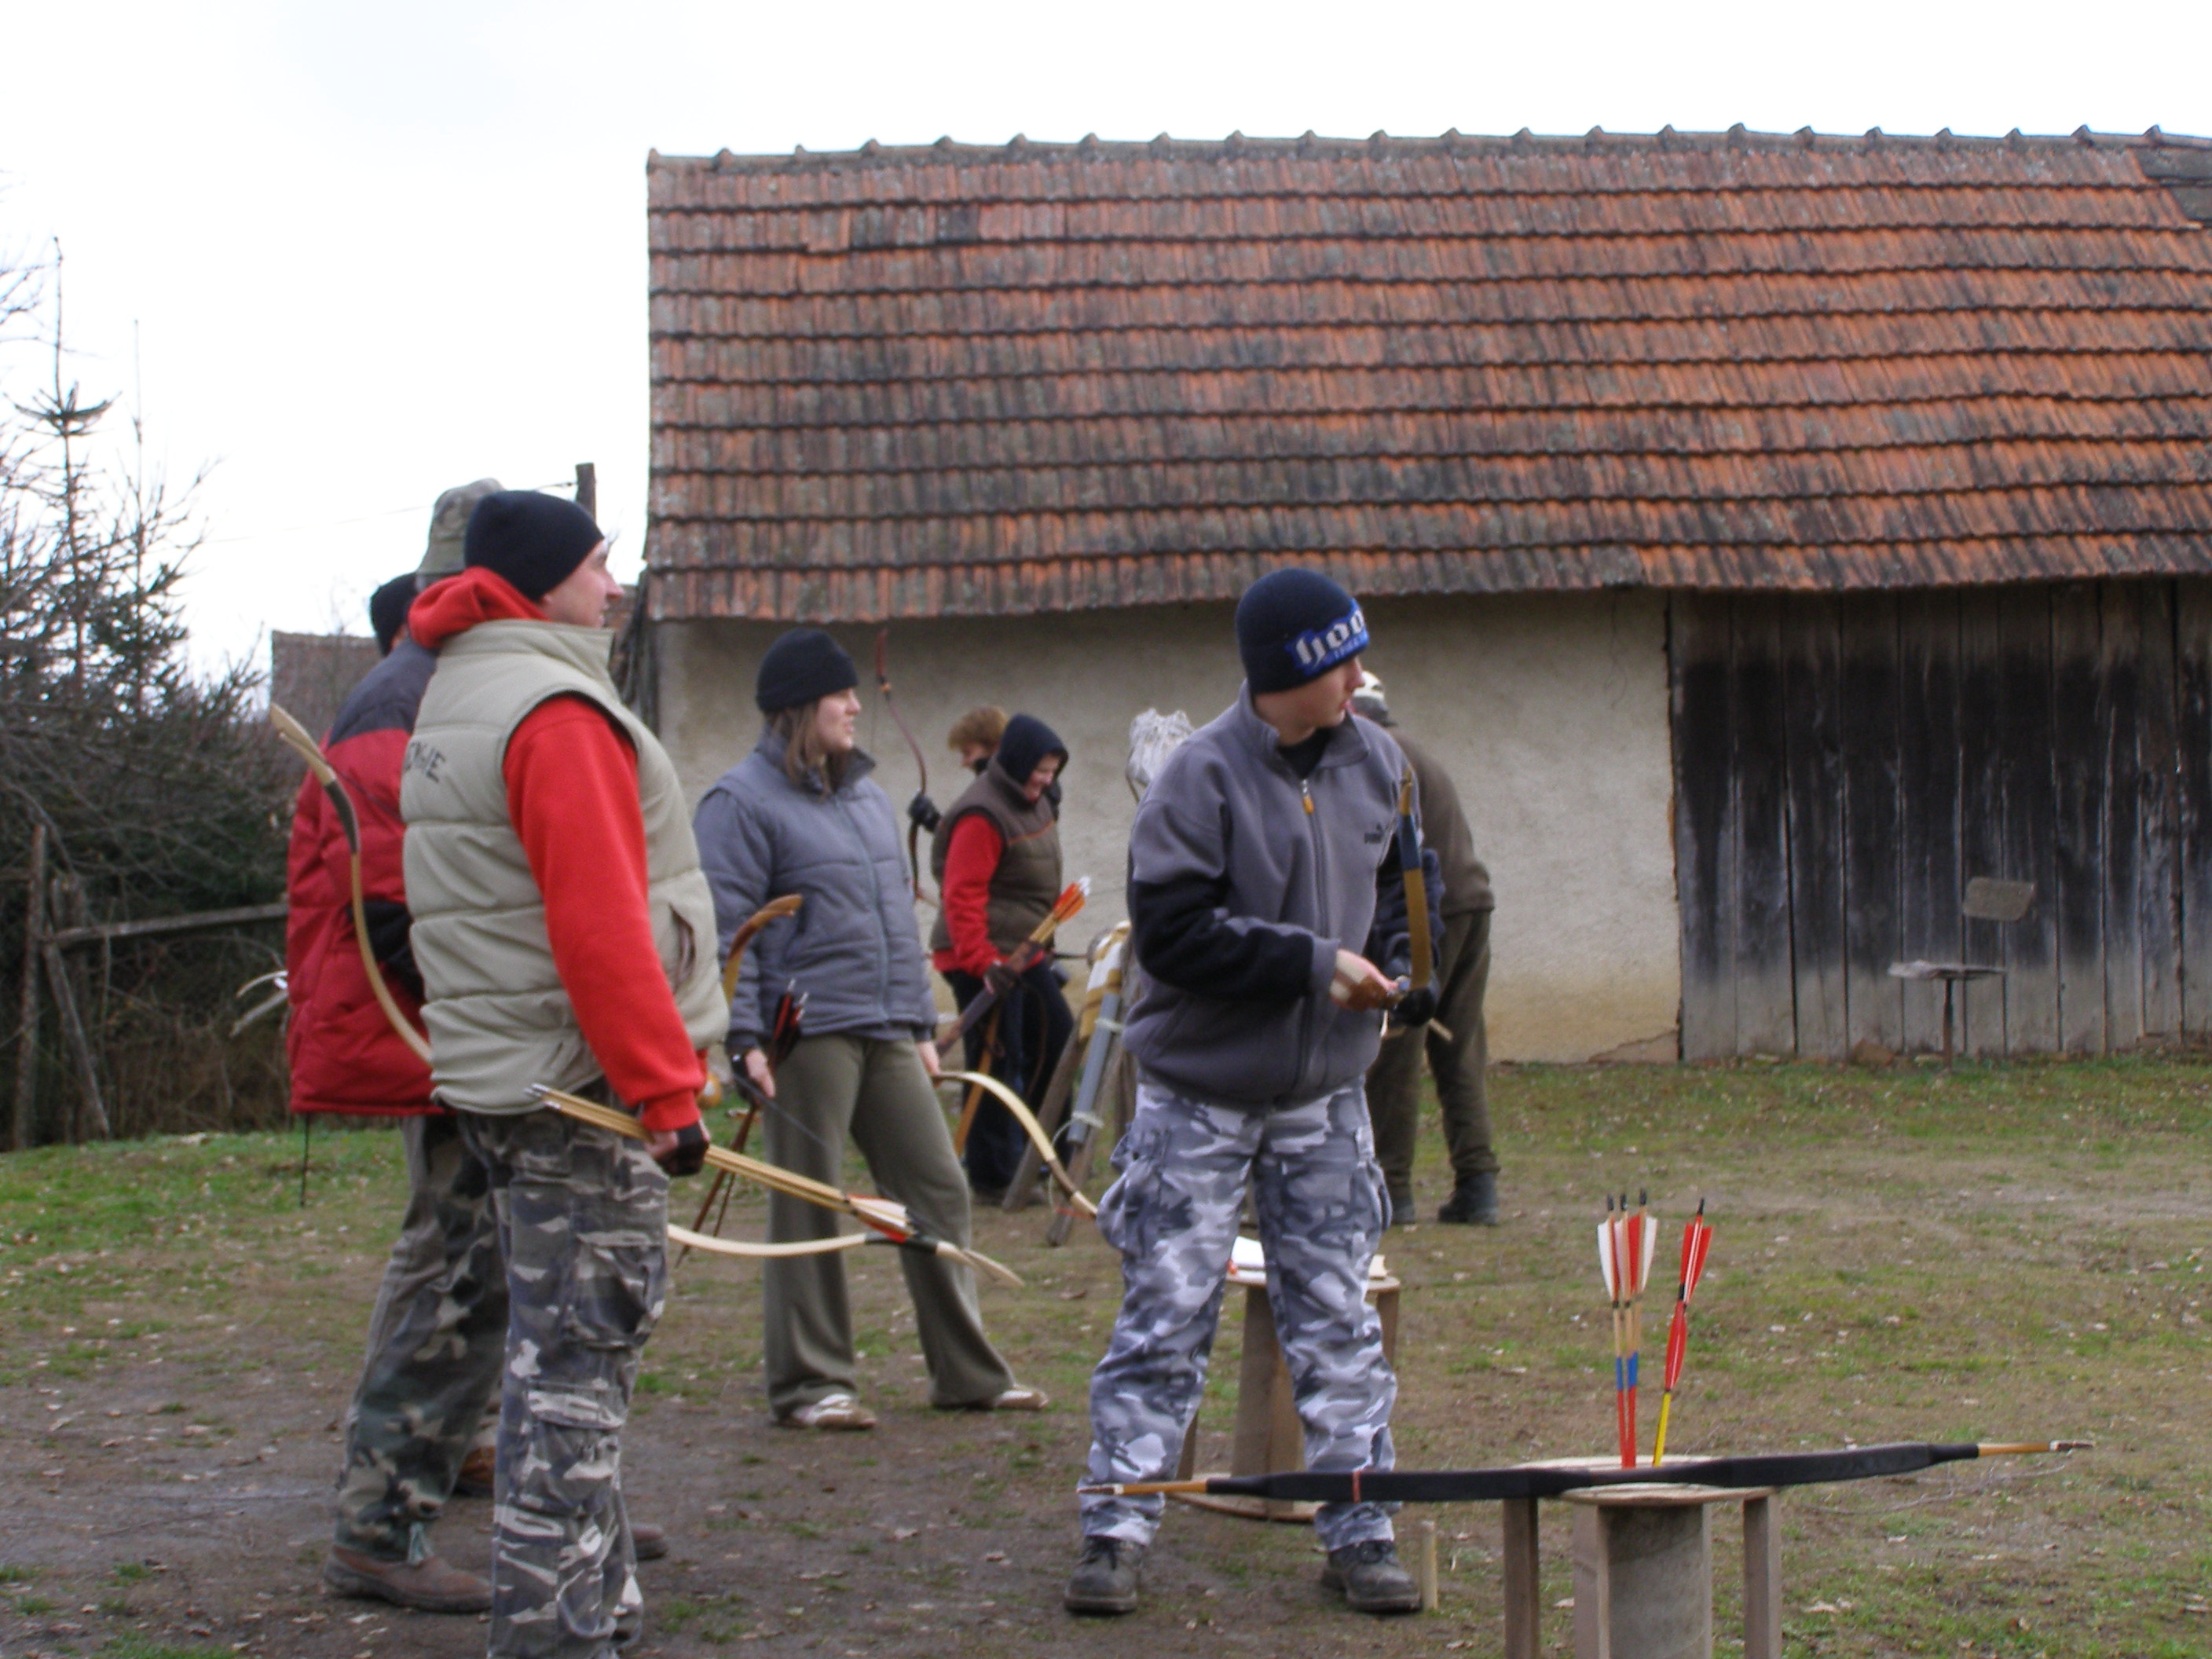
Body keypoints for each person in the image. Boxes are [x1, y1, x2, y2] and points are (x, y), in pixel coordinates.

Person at [1068, 568, 1440, 1619]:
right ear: (1288, 672)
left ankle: (1360, 1528)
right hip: (1197, 1096)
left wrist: (1406, 963)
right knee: (1166, 1312)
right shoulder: (1197, 779)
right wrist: (1315, 966)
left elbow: (1407, 892)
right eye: (1342, 662)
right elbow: (1176, 937)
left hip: (1324, 1097)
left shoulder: (1382, 766)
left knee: (1337, 1316)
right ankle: (1117, 1525)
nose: (1360, 679)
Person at [401, 489, 722, 1657]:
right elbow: (597, 926)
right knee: (575, 1366)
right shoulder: (553, 711)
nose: (614, 587)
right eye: (596, 566)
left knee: (558, 1350)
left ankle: (598, 1599)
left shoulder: (461, 690)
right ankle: (551, 1630)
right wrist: (664, 1092)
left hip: (504, 1077)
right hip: (577, 1087)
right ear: (541, 583)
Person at [692, 632, 1045, 1431]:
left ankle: (967, 1374)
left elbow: (893, 920)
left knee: (936, 1189)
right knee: (810, 1204)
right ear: (799, 707)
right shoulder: (738, 803)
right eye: (840, 695)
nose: (856, 706)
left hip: (885, 1027)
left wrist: (919, 1020)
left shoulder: (864, 799)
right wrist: (742, 1038)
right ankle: (812, 1383)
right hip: (803, 1032)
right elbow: (729, 932)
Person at [293, 480, 510, 1616]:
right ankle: (378, 1525)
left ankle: (455, 1456)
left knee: (471, 1260)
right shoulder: (400, 700)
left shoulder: (450, 688)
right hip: (443, 1026)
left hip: (466, 1023)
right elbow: (393, 899)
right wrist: (495, 1002)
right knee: (453, 1264)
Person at [1351, 672, 1501, 1225]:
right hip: (1472, 903)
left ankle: (1391, 1189)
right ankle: (1478, 1183)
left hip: (1431, 912)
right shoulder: (1416, 751)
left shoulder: (1380, 756)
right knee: (1458, 1045)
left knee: (1397, 1043)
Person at [928, 714, 1075, 1199]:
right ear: (1017, 763)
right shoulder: (982, 814)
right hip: (982, 957)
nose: (1047, 780)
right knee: (997, 1060)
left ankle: (1047, 1155)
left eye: (1053, 771)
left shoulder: (1035, 801)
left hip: (1024, 951)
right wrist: (982, 962)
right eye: (1040, 770)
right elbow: (962, 894)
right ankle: (993, 1175)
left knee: (1054, 1039)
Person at [905, 705, 1009, 836]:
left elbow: (977, 839)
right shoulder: (1004, 788)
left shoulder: (1005, 792)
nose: (964, 763)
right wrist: (933, 821)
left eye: (968, 753)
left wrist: (935, 823)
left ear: (995, 747)